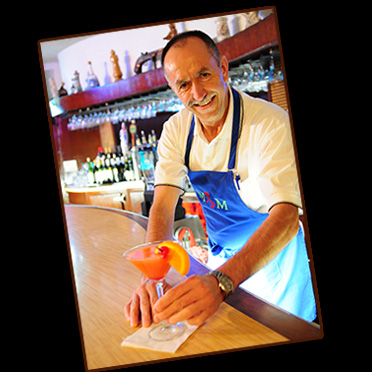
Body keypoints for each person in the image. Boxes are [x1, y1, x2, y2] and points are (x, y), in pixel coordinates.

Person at [124, 30, 316, 328]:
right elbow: (161, 207)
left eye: (204, 75)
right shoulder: (176, 130)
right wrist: (153, 274)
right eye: (184, 84)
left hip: (277, 273)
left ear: (223, 68)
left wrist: (222, 282)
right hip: (220, 265)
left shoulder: (269, 123)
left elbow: (287, 217)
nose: (198, 93)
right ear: (174, 90)